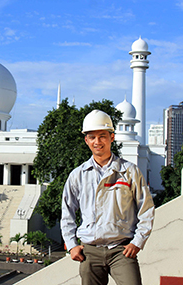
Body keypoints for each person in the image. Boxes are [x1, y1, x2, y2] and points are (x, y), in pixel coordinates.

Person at [61, 110, 155, 285]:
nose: (98, 142)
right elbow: (67, 213)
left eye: (102, 136)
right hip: (90, 251)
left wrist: (138, 242)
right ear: (86, 140)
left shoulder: (129, 171)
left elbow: (146, 208)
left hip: (122, 250)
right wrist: (72, 245)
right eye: (92, 137)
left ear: (112, 137)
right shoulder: (78, 175)